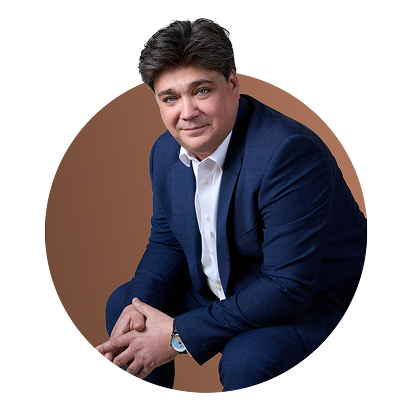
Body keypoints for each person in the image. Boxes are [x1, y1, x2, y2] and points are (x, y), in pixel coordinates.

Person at [95, 17, 367, 392]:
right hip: (228, 286)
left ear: (233, 85)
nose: (186, 112)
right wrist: (137, 309)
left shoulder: (288, 153)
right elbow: (168, 242)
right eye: (170, 98)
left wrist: (176, 335)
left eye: (201, 91)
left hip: (311, 301)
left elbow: (287, 287)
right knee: (125, 306)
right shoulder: (164, 152)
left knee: (249, 360)